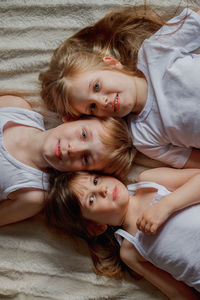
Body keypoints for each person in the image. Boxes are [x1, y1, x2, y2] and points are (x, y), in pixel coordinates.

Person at [39, 6, 200, 169]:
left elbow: (195, 21)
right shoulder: (143, 137)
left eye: (96, 86)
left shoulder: (155, 51)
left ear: (111, 63)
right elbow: (193, 161)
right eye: (92, 107)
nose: (103, 101)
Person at [45, 167, 200, 299]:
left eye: (95, 181)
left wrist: (167, 205)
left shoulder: (150, 183)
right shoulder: (130, 251)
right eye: (91, 200)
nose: (103, 190)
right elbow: (177, 292)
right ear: (95, 226)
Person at [0, 94, 135, 227]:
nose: (73, 149)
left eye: (86, 159)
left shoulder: (32, 195)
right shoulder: (16, 108)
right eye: (83, 135)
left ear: (78, 174)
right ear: (72, 118)